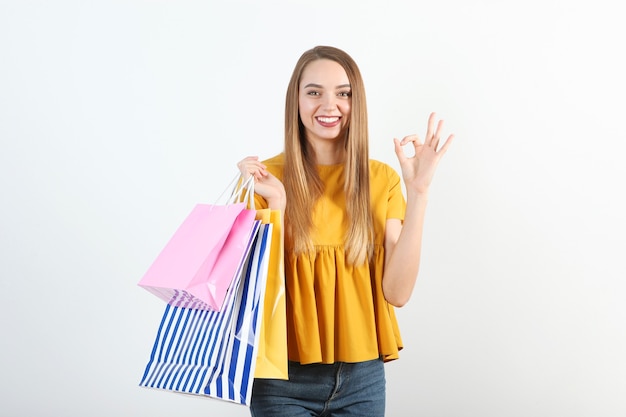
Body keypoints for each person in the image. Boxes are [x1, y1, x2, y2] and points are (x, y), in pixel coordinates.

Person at [237, 45, 454, 417]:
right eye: (314, 92)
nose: (329, 105)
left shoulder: (381, 179)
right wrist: (277, 207)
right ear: (296, 100)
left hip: (362, 378)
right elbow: (256, 292)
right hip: (279, 380)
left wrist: (418, 194)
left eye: (343, 93)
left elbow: (398, 293)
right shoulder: (265, 180)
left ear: (357, 102)